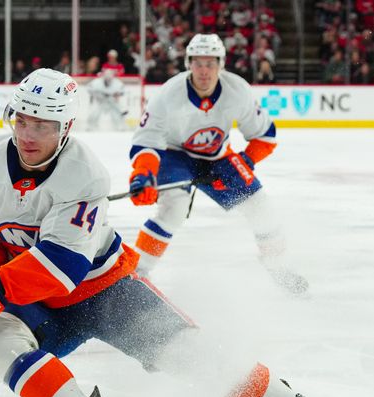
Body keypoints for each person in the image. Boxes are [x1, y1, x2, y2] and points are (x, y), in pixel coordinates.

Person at [0, 68, 346, 397]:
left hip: (105, 291)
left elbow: (62, 267)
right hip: (33, 298)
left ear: (65, 127)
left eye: (44, 125)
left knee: (191, 356)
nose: (29, 135)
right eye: (23, 120)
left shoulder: (84, 175)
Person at [128, 34, 308, 294]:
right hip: (173, 152)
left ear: (221, 64)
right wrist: (143, 175)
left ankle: (277, 266)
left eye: (210, 63)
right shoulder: (168, 94)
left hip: (218, 156)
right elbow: (146, 141)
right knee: (173, 208)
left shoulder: (237, 90)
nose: (204, 71)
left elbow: (265, 135)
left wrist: (245, 161)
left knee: (261, 207)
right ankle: (138, 273)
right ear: (188, 64)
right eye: (198, 63)